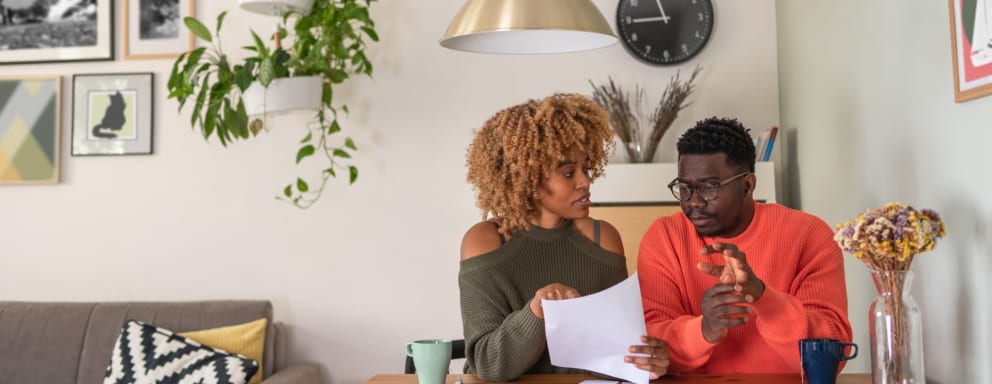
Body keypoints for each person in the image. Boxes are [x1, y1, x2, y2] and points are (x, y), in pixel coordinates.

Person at [460, 93, 670, 382]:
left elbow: (612, 352)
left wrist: (648, 359)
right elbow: (488, 365)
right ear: (528, 177)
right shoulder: (486, 241)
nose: (585, 181)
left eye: (586, 168)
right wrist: (537, 311)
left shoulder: (602, 238)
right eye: (569, 172)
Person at [638, 117, 852, 374]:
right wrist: (703, 330)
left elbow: (831, 357)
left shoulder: (809, 235)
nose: (693, 202)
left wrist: (762, 296)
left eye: (709, 187)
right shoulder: (665, 237)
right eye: (684, 188)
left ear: (748, 185)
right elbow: (646, 346)